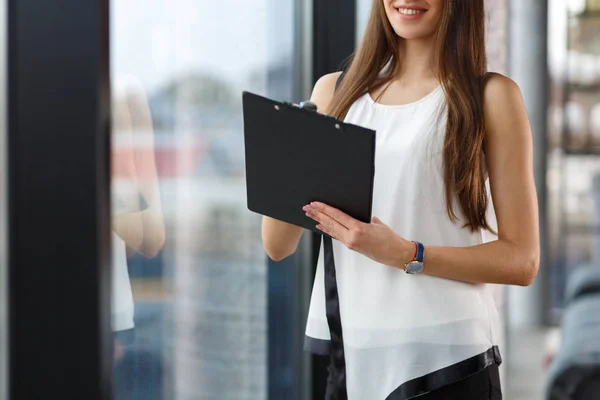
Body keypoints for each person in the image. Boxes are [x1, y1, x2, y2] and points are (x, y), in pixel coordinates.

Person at [262, 1, 539, 399]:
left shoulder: (490, 96)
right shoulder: (333, 93)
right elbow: (277, 244)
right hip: (353, 358)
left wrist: (406, 253)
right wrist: (287, 147)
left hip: (447, 363)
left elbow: (522, 260)